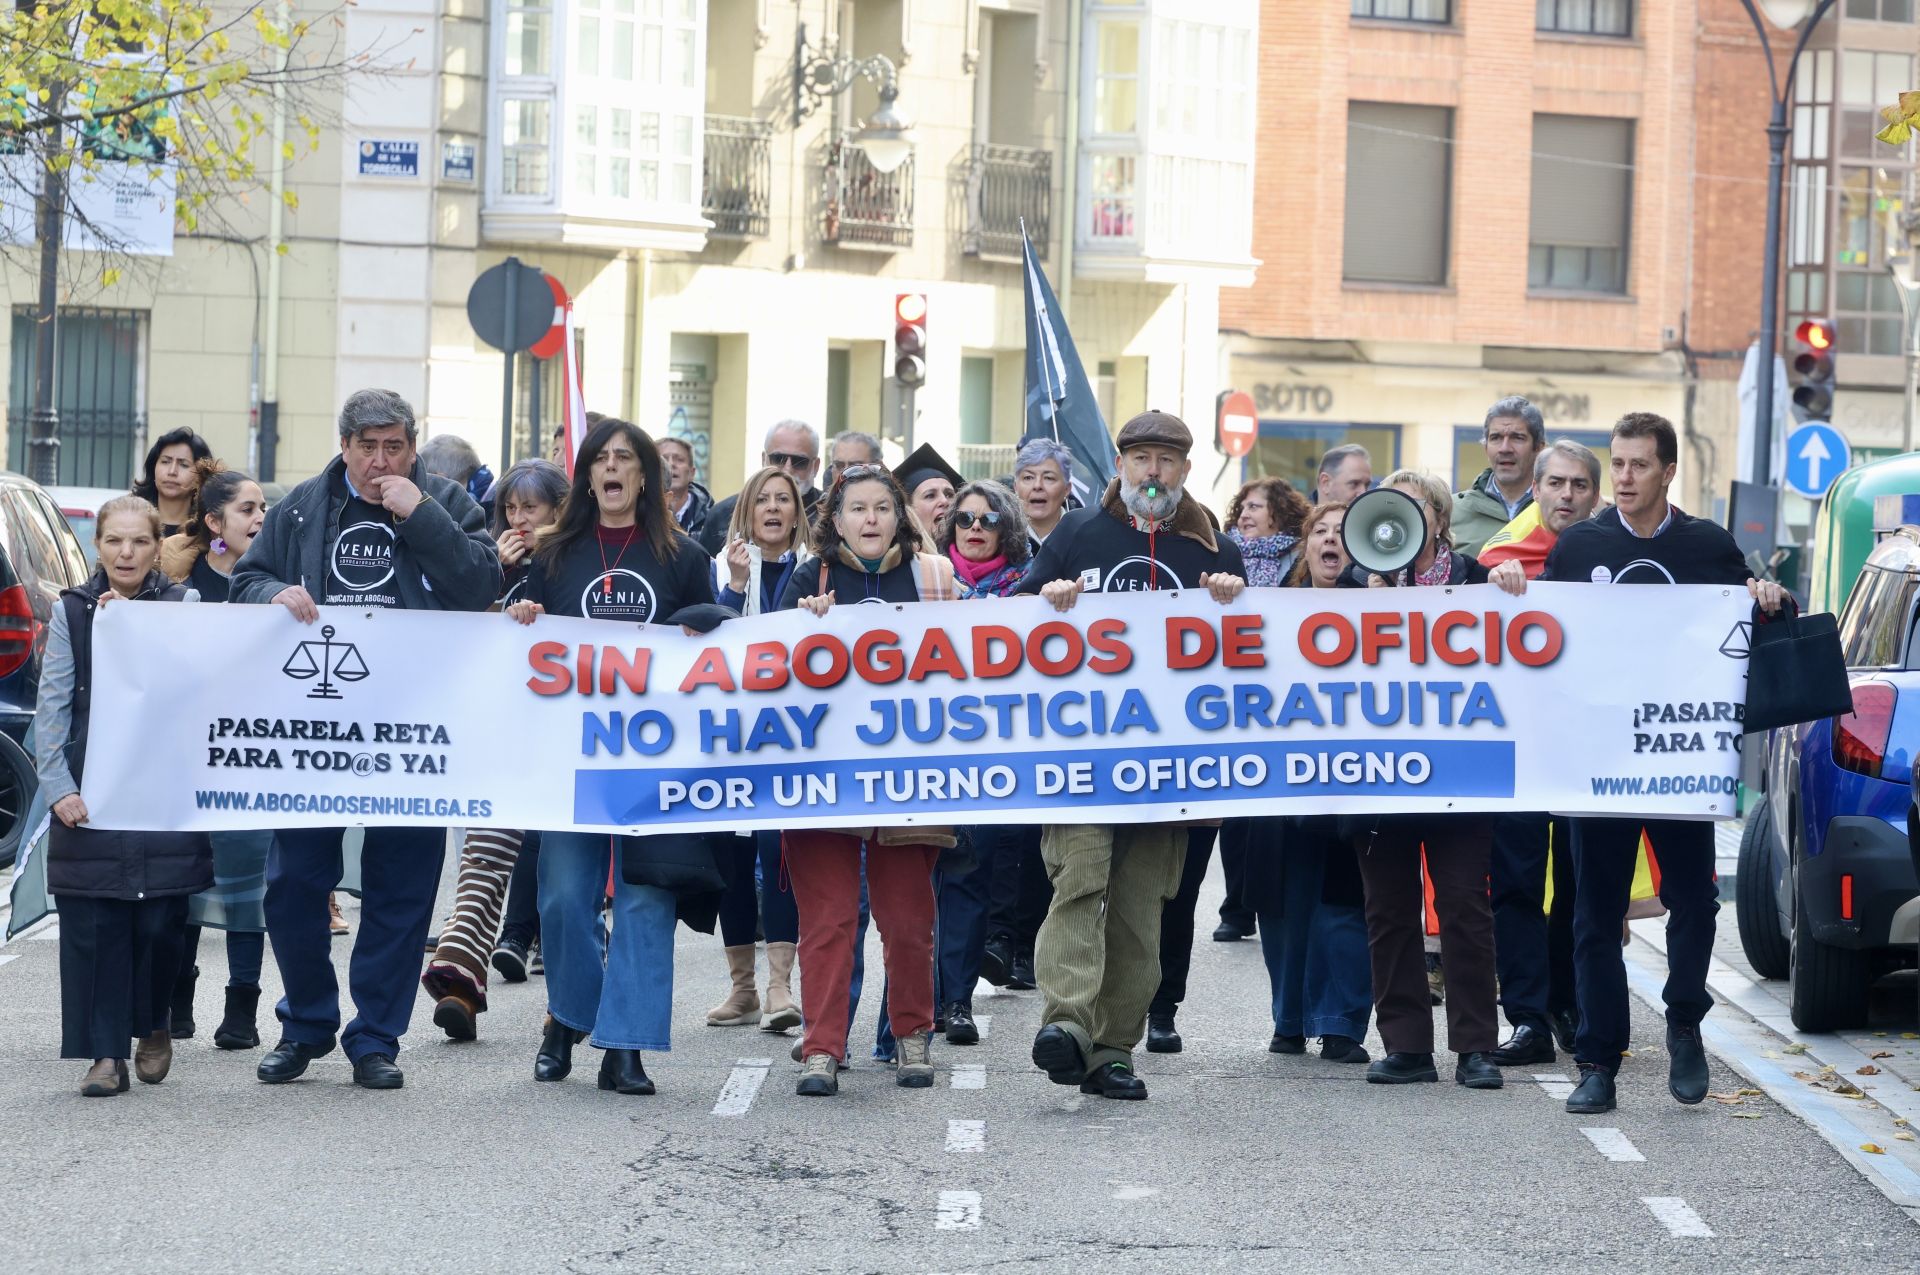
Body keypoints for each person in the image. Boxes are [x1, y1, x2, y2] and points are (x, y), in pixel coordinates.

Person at [1494, 412, 1790, 1115]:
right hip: (1600, 762)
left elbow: (1749, 628)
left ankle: (1684, 1020)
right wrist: (1506, 585)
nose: (1624, 478)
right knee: (1594, 915)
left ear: (1668, 472)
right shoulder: (1580, 546)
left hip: (1679, 761)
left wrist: (1771, 600)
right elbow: (1541, 634)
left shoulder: (1708, 546)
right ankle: (1598, 1060)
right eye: (1618, 464)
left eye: (1639, 465)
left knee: (1694, 900)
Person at [233, 387, 502, 1091]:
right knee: (293, 881)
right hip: (316, 726)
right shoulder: (300, 506)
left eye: (394, 447)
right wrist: (270, 596)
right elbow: (247, 579)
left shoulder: (448, 502)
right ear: (345, 446)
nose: (381, 461)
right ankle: (305, 1023)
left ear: (412, 446)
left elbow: (479, 584)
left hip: (415, 726)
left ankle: (376, 1035)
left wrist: (422, 516)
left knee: (401, 884)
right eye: (368, 447)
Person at [1018, 410, 1247, 1101]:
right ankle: (1066, 1025)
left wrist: (1232, 604)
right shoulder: (1077, 535)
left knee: (1140, 911)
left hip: (1169, 769)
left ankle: (1112, 1048)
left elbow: (1252, 656)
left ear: (1185, 470)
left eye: (1166, 460)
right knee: (1078, 884)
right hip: (1082, 758)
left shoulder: (1216, 550)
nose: (1153, 472)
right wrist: (1045, 600)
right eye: (1141, 458)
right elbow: (1009, 631)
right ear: (1120, 465)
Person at [510, 418, 722, 1096]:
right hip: (571, 755)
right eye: (600, 458)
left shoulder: (683, 554)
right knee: (563, 898)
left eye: (625, 457)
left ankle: (625, 1046)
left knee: (643, 902)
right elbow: (522, 639)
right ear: (586, 476)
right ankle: (568, 1017)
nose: (612, 467)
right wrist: (522, 617)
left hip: (655, 759)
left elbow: (716, 643)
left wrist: (704, 624)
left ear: (644, 476)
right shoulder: (554, 552)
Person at [778, 463, 958, 1096]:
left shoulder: (936, 578)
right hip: (825, 779)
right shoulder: (810, 578)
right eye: (858, 509)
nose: (871, 519)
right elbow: (768, 666)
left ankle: (912, 1036)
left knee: (907, 921)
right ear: (836, 520)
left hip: (910, 776)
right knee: (828, 922)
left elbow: (975, 659)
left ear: (899, 516)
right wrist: (802, 623)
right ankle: (822, 1048)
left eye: (883, 507)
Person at [36, 495, 212, 1096]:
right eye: (114, 540)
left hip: (163, 794)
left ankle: (155, 1022)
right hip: (93, 792)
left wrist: (137, 631)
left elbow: (197, 689)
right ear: (98, 546)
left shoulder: (183, 605)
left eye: (140, 541)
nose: (127, 552)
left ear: (158, 546)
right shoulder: (72, 610)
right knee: (95, 923)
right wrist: (59, 787)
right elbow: (53, 707)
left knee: (161, 922)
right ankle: (105, 1055)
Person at [1344, 470, 1501, 1091]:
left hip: (1460, 772)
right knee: (1389, 911)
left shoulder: (1476, 580)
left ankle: (1475, 1046)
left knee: (1464, 908)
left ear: (1438, 518)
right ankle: (1406, 1044)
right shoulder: (1355, 583)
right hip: (1380, 775)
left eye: (1412, 507)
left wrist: (1512, 590)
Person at [420, 458, 570, 1040]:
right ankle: (459, 979)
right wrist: (497, 580)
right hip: (502, 728)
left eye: (531, 507)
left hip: (567, 737)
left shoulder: (578, 562)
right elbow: (459, 630)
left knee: (567, 880)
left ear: (559, 509)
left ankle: (568, 1006)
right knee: (485, 851)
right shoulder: (489, 561)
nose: (518, 518)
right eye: (510, 508)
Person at [1480, 440, 1603, 1066]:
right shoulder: (1497, 558)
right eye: (1556, 483)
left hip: (1587, 748)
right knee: (1517, 885)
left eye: (1579, 485)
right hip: (1518, 747)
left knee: (1582, 884)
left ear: (1595, 495)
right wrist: (1490, 586)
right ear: (1536, 488)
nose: (1566, 495)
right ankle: (1527, 1017)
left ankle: (1570, 1003)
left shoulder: (1616, 556)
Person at [1249, 499, 1375, 1063]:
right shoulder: (1272, 609)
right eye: (1320, 531)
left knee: (1345, 904)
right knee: (1284, 904)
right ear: (1305, 546)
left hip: (1355, 782)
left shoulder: (1383, 610)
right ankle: (1290, 1019)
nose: (1330, 540)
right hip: (1282, 781)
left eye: (1342, 533)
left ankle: (1341, 1024)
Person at [158, 462, 272, 1049]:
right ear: (214, 522)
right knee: (185, 876)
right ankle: (177, 1001)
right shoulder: (176, 586)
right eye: (247, 509)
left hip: (254, 757)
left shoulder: (276, 583)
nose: (260, 518)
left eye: (263, 509)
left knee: (248, 881)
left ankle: (242, 1009)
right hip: (187, 758)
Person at [705, 464, 810, 1034]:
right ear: (746, 512)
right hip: (731, 738)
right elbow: (705, 640)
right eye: (762, 499)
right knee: (733, 861)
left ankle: (779, 986)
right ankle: (742, 988)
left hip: (792, 738)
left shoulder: (814, 570)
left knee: (779, 854)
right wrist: (736, 585)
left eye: (783, 499)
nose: (772, 508)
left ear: (797, 513)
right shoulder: (717, 566)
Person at [929, 481, 1033, 1045]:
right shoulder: (922, 581)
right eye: (965, 518)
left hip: (995, 756)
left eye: (988, 520)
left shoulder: (1030, 588)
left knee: (969, 880)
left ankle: (956, 1001)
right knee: (919, 885)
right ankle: (916, 1001)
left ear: (1006, 528)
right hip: (925, 750)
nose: (975, 528)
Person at [698, 419, 824, 555]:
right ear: (764, 459)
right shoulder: (722, 514)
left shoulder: (831, 516)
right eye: (778, 458)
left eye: (799, 461)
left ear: (815, 466)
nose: (787, 469)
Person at [1451, 396, 1546, 557]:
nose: (1505, 448)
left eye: (1517, 438)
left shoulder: (1558, 511)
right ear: (1485, 448)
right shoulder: (1451, 512)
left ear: (1539, 448)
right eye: (1496, 438)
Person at [132, 427, 213, 536]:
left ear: (201, 475)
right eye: (165, 462)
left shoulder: (212, 529)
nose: (172, 471)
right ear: (153, 467)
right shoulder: (130, 521)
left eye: (184, 465)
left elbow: (225, 546)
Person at [1013, 437, 1074, 553]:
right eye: (1028, 477)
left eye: (1048, 478)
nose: (1037, 486)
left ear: (1067, 489)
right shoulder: (1001, 540)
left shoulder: (1084, 538)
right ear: (1016, 487)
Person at [896, 443, 961, 545]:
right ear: (908, 512)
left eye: (949, 495)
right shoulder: (896, 555)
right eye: (930, 495)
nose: (944, 501)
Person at [658, 436, 713, 539]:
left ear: (692, 473)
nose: (671, 464)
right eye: (664, 459)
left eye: (679, 460)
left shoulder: (712, 517)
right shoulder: (635, 516)